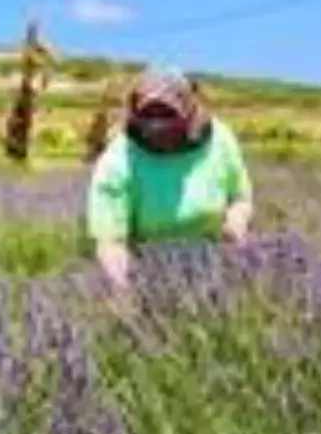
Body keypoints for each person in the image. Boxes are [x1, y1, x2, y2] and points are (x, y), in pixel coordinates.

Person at [85, 67, 253, 290]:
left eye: (167, 115)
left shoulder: (219, 139)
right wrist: (123, 291)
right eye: (149, 117)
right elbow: (111, 242)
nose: (157, 125)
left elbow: (241, 197)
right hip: (149, 274)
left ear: (188, 112)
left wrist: (236, 219)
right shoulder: (117, 162)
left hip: (218, 263)